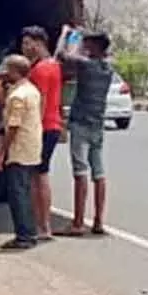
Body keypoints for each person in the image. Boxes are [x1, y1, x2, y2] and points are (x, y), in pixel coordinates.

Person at [55, 29, 114, 237]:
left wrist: (66, 34)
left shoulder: (86, 66)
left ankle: (78, 222)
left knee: (80, 172)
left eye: (89, 43)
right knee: (99, 173)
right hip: (97, 124)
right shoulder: (108, 69)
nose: (85, 46)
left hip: (81, 123)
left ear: (95, 47)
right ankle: (98, 221)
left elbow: (62, 55)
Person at [0, 55, 42, 250]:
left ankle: (24, 235)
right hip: (31, 147)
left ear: (13, 72)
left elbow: (13, 126)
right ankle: (29, 232)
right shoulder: (30, 90)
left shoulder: (18, 96)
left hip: (19, 149)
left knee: (17, 194)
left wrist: (1, 153)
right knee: (24, 191)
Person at [21, 26, 63, 241]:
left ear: (38, 43)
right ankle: (41, 224)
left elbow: (41, 101)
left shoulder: (40, 70)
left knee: (39, 176)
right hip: (52, 125)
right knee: (39, 175)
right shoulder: (53, 66)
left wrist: (32, 129)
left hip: (44, 127)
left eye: (27, 43)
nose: (24, 48)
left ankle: (43, 226)